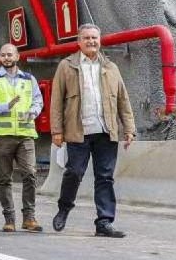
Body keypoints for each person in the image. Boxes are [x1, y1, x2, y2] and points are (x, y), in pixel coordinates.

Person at [50, 24, 136, 239]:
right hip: (78, 131)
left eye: (94, 38)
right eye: (86, 38)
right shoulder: (66, 66)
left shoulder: (111, 67)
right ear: (79, 42)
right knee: (74, 172)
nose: (91, 41)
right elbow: (56, 101)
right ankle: (65, 207)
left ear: (100, 40)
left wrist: (129, 129)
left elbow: (123, 100)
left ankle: (104, 221)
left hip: (106, 132)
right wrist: (56, 131)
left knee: (105, 177)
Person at [0, 43, 44, 233]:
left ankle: (29, 218)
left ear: (17, 56)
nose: (6, 58)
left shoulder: (29, 79)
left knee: (30, 174)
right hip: (1, 136)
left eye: (10, 54)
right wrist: (5, 106)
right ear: (0, 58)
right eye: (3, 55)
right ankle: (9, 219)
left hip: (25, 134)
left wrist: (33, 112)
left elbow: (37, 100)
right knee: (4, 179)